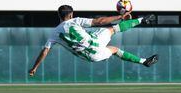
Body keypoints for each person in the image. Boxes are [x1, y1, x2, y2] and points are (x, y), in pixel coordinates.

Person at [28, 5, 158, 77]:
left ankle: (144, 61)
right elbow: (99, 21)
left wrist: (35, 68)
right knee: (113, 31)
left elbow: (45, 52)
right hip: (94, 43)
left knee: (114, 48)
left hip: (90, 55)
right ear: (71, 14)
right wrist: (120, 16)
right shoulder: (75, 20)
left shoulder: (54, 33)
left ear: (59, 16)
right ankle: (141, 20)